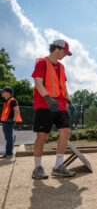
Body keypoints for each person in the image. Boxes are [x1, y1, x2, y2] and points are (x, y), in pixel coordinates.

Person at [31, 39, 76, 180]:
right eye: (64, 52)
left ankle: (58, 166)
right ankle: (37, 168)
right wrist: (48, 98)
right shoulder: (42, 63)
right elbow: (38, 82)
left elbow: (63, 86)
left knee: (66, 131)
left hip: (61, 105)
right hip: (45, 104)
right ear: (57, 49)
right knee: (42, 136)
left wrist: (69, 100)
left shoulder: (61, 67)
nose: (65, 55)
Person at [1, 87, 22, 158]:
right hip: (5, 122)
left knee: (9, 137)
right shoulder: (6, 101)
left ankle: (9, 154)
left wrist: (14, 119)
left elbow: (16, 110)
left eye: (4, 91)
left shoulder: (12, 100)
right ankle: (8, 152)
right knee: (8, 137)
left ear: (8, 93)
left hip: (9, 122)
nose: (2, 92)